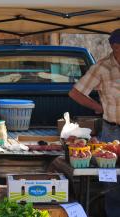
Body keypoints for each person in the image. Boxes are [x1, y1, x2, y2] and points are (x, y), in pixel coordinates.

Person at [69, 28, 120, 217]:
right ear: (115, 47)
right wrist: (98, 107)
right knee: (113, 183)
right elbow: (75, 92)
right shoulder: (102, 67)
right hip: (113, 131)